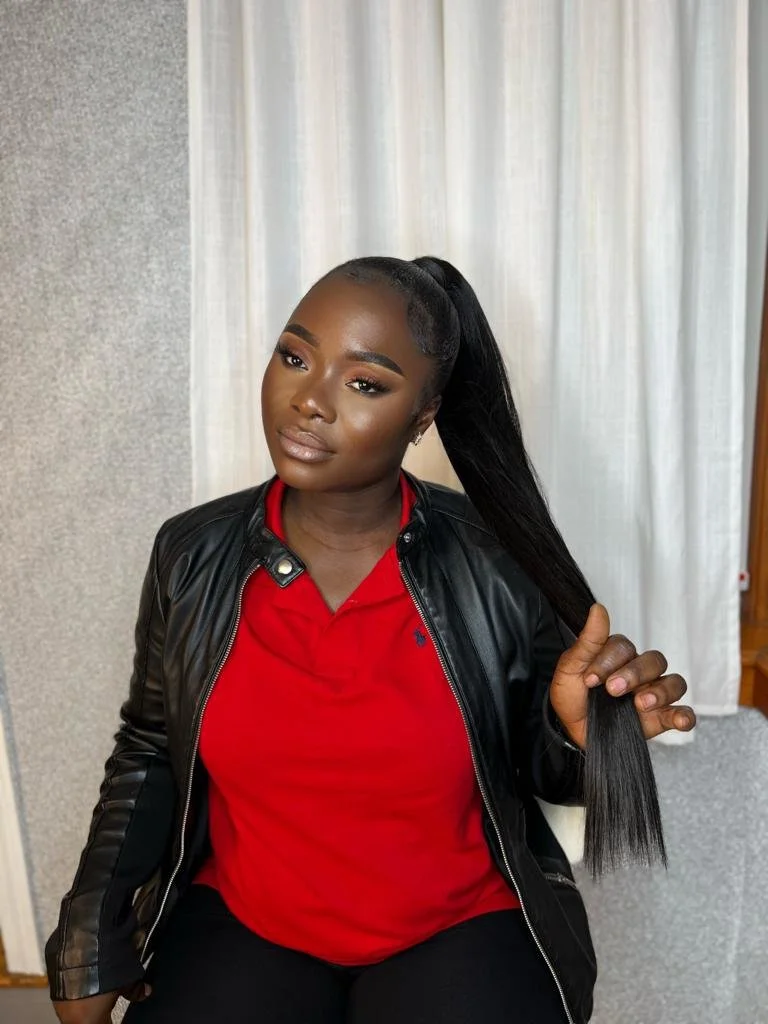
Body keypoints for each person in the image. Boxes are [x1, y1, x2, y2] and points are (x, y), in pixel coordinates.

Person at [47, 256, 695, 1024]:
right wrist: (91, 931)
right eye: (294, 357)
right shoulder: (191, 555)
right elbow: (151, 746)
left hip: (457, 926)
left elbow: (543, 774)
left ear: (423, 417)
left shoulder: (495, 559)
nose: (308, 401)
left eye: (365, 383)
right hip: (248, 922)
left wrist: (581, 734)